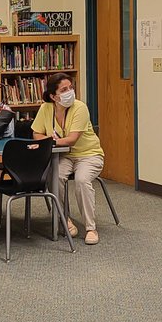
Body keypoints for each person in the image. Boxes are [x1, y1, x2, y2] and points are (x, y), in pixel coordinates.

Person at [32, 72, 105, 245]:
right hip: (64, 155)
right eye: (64, 90)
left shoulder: (80, 107)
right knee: (54, 176)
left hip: (89, 154)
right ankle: (65, 220)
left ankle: (90, 228)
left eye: (71, 88)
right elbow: (36, 133)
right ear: (53, 96)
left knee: (81, 180)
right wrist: (51, 142)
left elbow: (72, 139)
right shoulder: (45, 108)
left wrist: (49, 142)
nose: (69, 92)